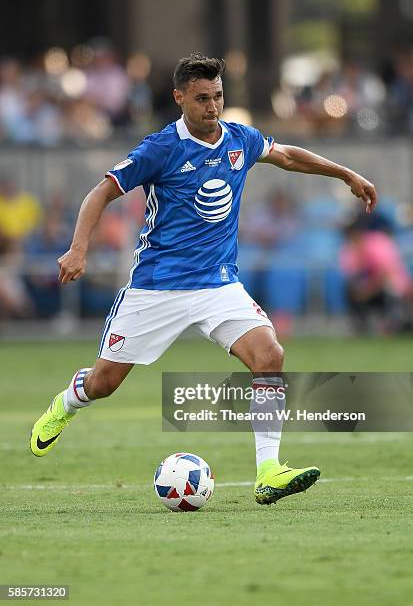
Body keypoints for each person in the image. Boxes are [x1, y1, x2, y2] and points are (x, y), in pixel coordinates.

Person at [30, 53, 377, 506]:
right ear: (179, 99)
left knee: (269, 355)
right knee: (104, 383)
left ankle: (268, 471)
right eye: (201, 98)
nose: (212, 106)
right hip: (157, 286)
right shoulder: (160, 149)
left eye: (217, 96)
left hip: (218, 286)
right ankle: (66, 404)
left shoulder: (239, 138)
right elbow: (102, 191)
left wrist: (346, 173)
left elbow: (288, 155)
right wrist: (78, 248)